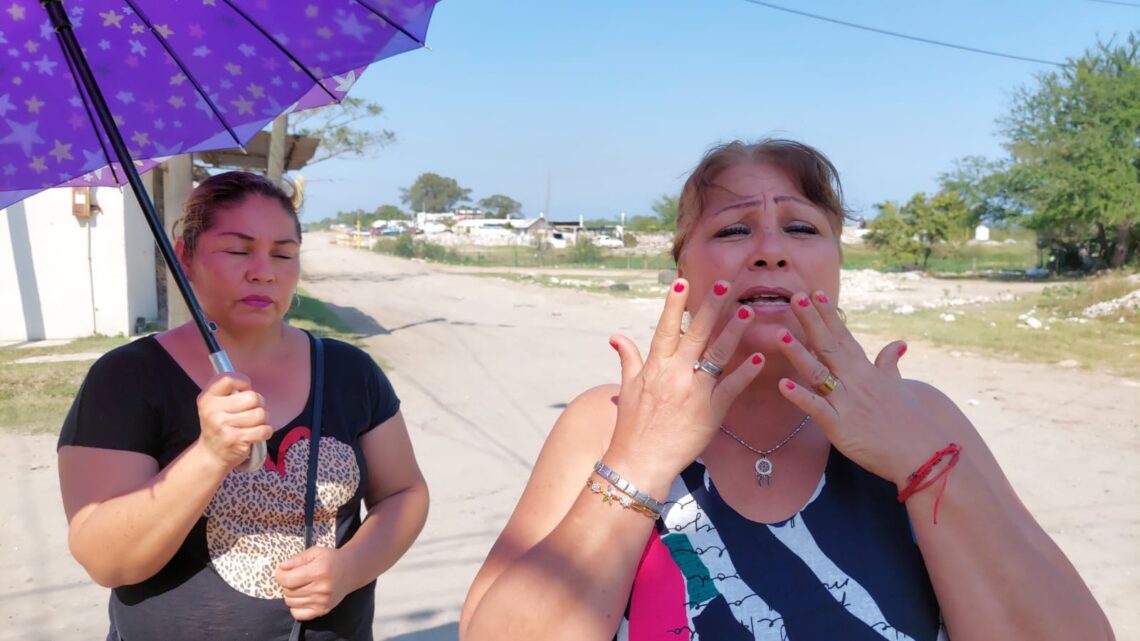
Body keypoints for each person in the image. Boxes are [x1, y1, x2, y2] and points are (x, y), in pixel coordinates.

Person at [459, 140, 1114, 641]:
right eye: (733, 229)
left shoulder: (922, 416)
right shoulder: (604, 421)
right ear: (680, 266)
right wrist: (639, 462)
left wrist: (920, 463)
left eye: (801, 227)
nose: (770, 249)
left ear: (835, 262)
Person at [58, 171, 429, 640]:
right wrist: (210, 455)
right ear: (185, 258)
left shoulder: (350, 372)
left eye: (283, 253)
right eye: (237, 250)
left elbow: (405, 493)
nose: (263, 271)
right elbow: (107, 560)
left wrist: (352, 567)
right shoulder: (126, 379)